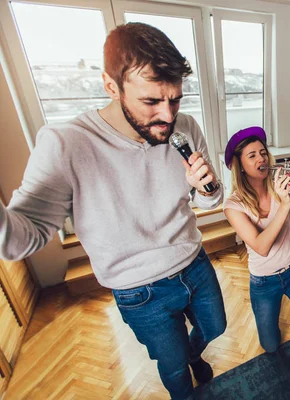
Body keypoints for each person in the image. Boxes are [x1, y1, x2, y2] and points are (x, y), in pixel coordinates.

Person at [0, 23, 226, 400]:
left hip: (195, 263)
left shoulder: (185, 127)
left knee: (216, 328)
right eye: (151, 102)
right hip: (140, 291)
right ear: (111, 86)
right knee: (173, 372)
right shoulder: (65, 145)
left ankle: (193, 352)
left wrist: (207, 188)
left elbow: (210, 200)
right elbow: (21, 237)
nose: (168, 116)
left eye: (175, 99)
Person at [222, 127, 290, 379]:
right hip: (263, 280)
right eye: (251, 155)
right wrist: (285, 204)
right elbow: (261, 247)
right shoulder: (233, 206)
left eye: (263, 152)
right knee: (270, 345)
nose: (261, 159)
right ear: (239, 166)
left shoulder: (279, 184)